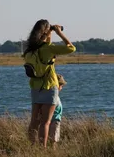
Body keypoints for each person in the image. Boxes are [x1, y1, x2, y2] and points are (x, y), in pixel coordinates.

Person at [23, 19, 76, 148]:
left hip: (35, 87)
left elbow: (43, 47)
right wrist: (59, 33)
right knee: (45, 122)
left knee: (34, 122)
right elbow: (71, 48)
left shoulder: (29, 51)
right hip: (49, 87)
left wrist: (48, 33)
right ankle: (43, 149)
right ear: (45, 32)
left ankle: (31, 147)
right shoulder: (48, 49)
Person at [48, 74, 66, 147]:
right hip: (55, 120)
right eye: (61, 86)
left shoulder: (52, 96)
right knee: (54, 139)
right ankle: (53, 151)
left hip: (54, 120)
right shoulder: (54, 97)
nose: (61, 88)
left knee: (52, 138)